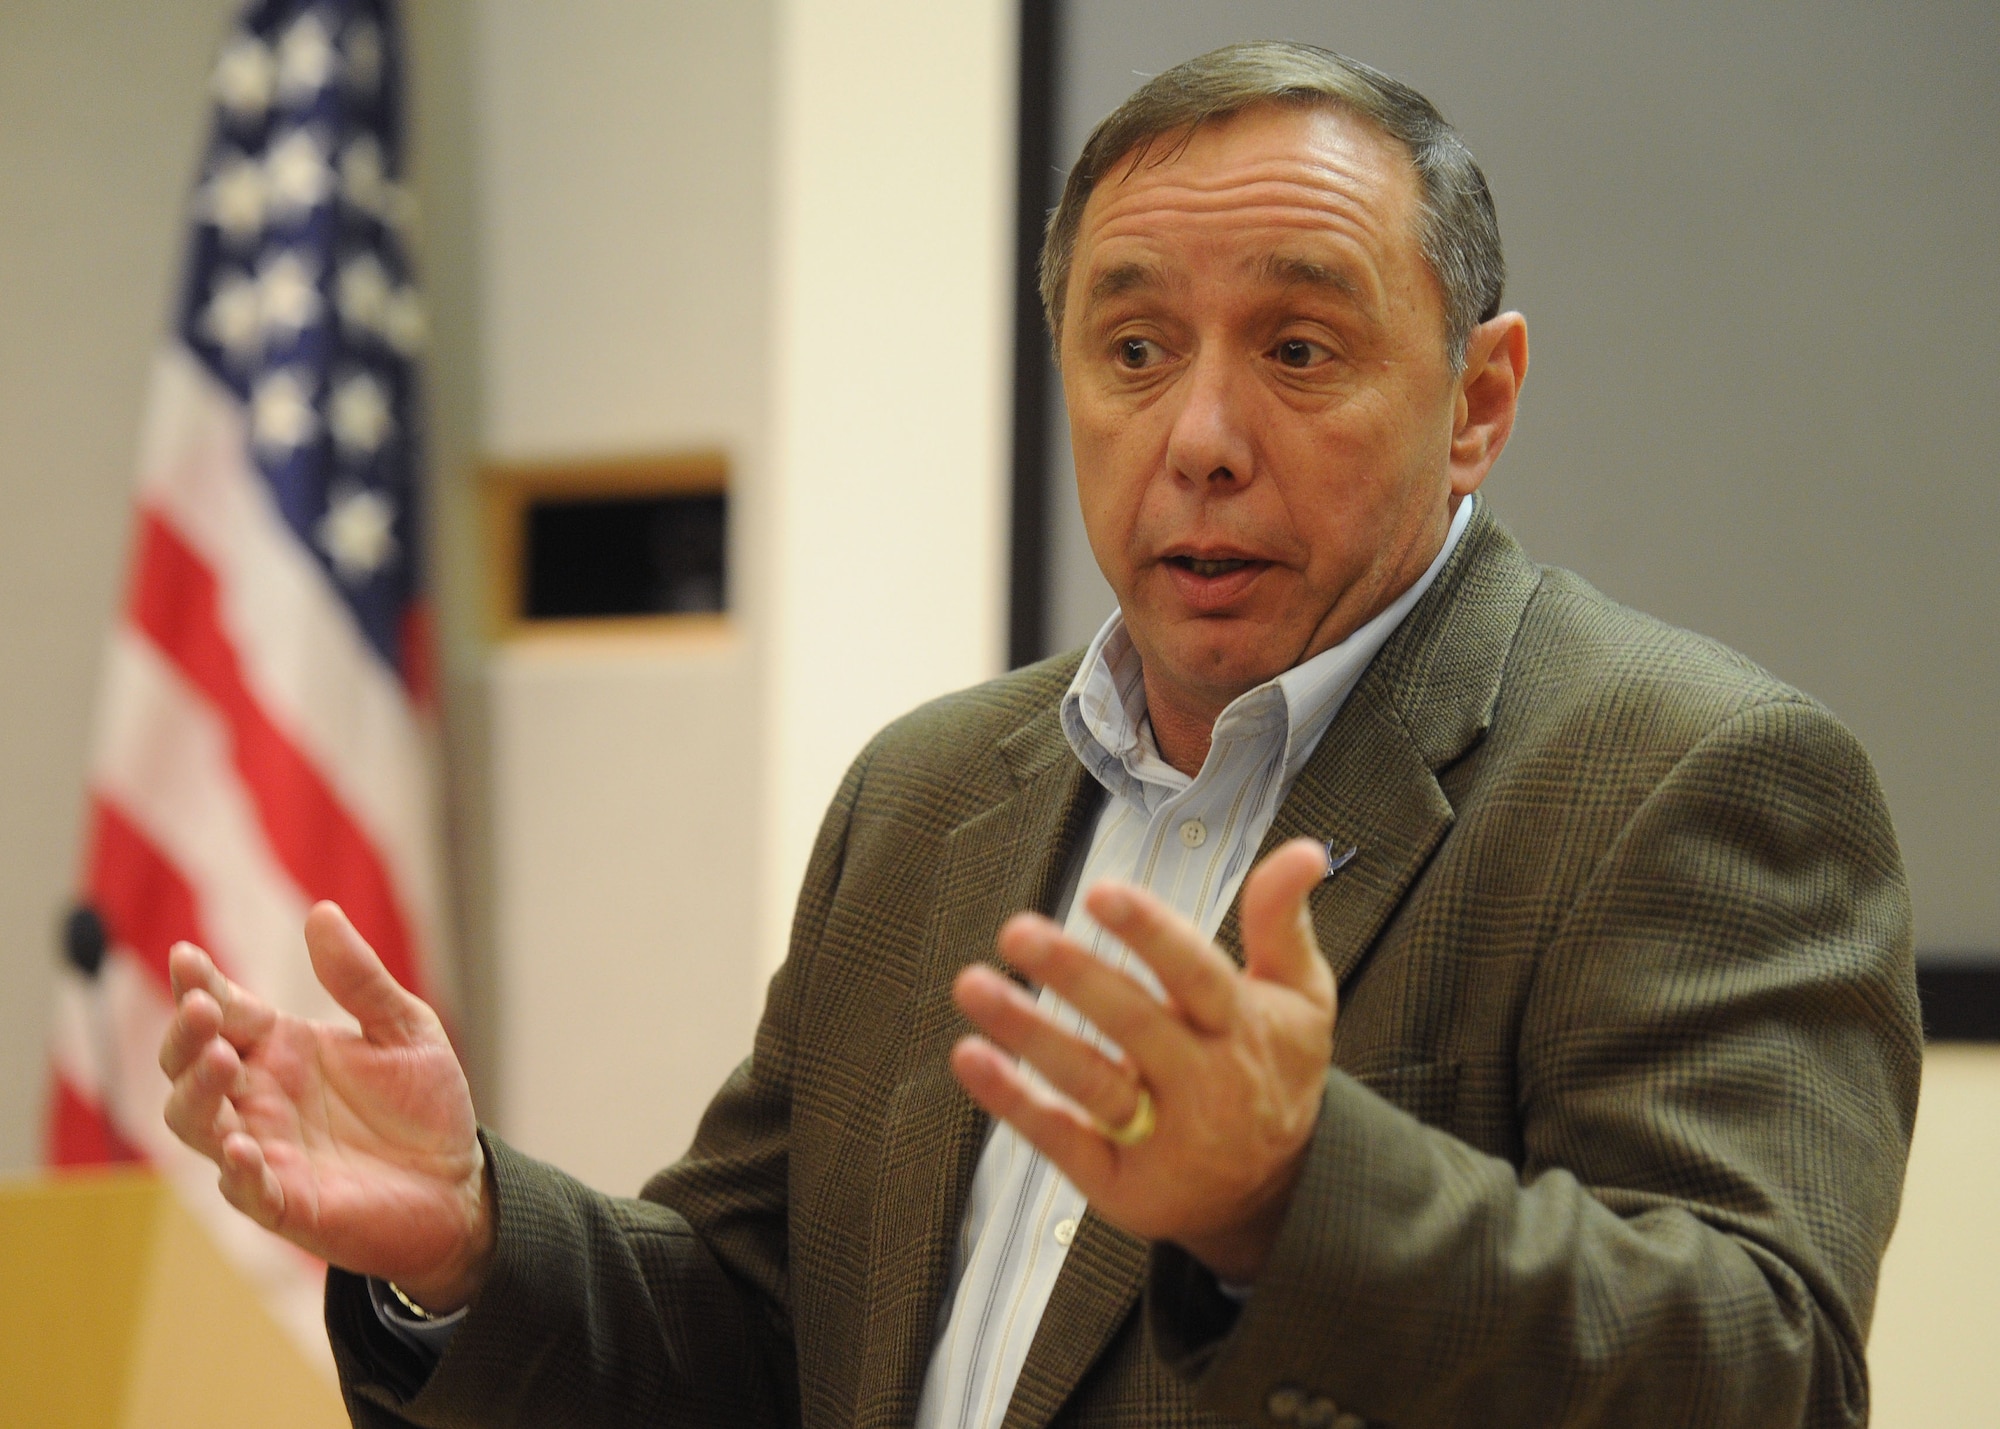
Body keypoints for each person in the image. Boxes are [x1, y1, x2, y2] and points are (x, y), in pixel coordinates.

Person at [159, 42, 1919, 1429]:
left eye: (1300, 350)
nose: (1204, 433)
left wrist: (1295, 1199)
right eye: (1134, 347)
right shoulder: (927, 794)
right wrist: (474, 1237)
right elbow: (758, 1341)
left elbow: (1757, 1371)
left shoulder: (1687, 776)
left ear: (1478, 399)